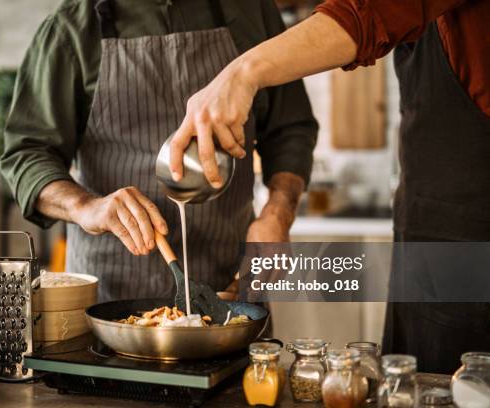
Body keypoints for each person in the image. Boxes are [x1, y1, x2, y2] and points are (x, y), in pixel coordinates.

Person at [170, 0, 489, 373]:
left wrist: (241, 73)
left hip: (472, 240)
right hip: (427, 234)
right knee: (411, 379)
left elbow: (367, 13)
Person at [0, 0, 318, 302]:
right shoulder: (71, 26)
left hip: (232, 291)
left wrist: (278, 213)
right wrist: (86, 207)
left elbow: (290, 129)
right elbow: (27, 153)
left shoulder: (250, 10)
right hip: (110, 301)